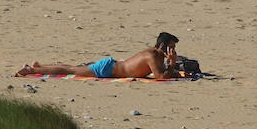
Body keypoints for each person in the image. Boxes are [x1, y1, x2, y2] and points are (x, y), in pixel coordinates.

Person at [15, 32, 180, 79]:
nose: (172, 50)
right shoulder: (152, 56)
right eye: (171, 47)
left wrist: (170, 64)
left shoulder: (155, 54)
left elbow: (162, 72)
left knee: (74, 68)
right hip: (108, 69)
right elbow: (160, 76)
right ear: (163, 46)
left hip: (111, 66)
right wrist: (172, 63)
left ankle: (39, 67)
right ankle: (31, 70)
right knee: (71, 70)